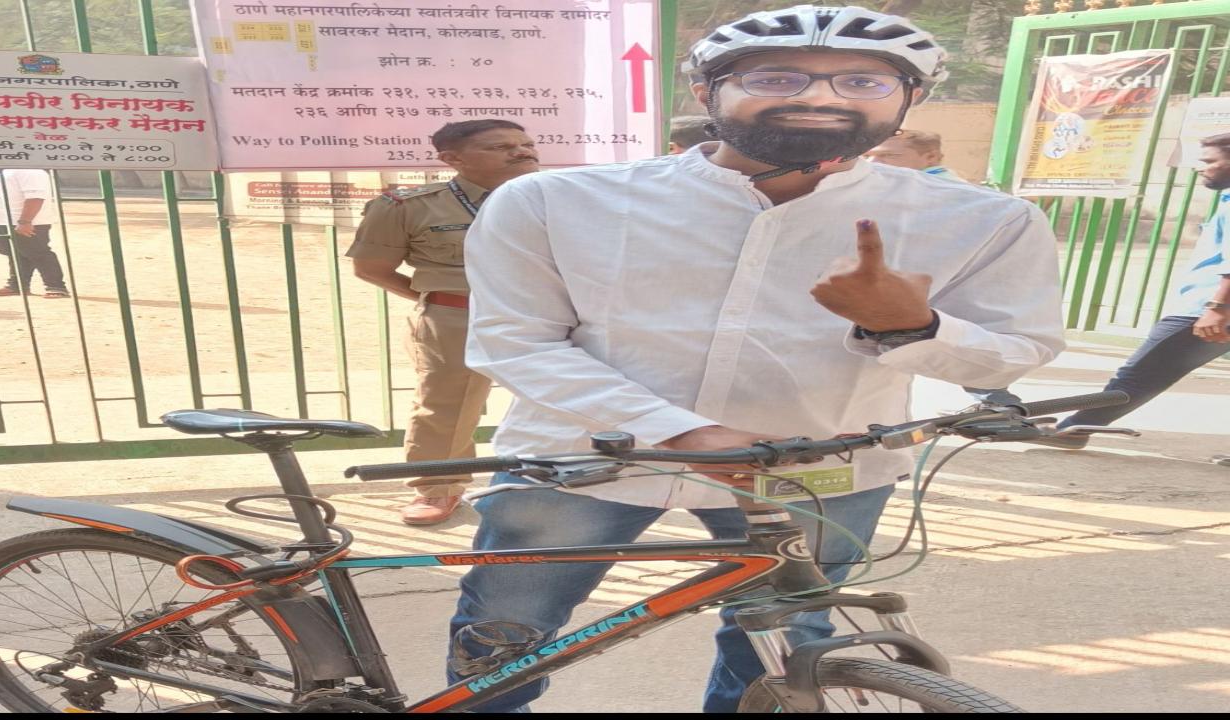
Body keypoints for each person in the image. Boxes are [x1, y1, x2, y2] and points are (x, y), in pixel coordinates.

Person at [453, 5, 1065, 712]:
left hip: (815, 470)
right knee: (502, 638)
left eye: (863, 82)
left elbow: (1015, 352)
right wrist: (680, 430)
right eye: (776, 76)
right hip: (580, 458)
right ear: (705, 91)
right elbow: (514, 340)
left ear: (911, 98)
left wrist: (914, 326)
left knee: (782, 648)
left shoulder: (984, 221)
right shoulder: (556, 201)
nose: (819, 98)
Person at [347, 120, 540, 525]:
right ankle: (439, 488)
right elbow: (372, 268)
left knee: (574, 396)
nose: (521, 152)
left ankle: (577, 479)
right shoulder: (407, 206)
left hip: (548, 314)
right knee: (447, 406)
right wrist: (437, 300)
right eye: (501, 147)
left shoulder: (559, 196)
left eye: (525, 144)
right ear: (452, 159)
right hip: (457, 315)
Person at [1044, 131, 1230, 451]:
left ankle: (1073, 429)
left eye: (1211, 161)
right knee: (1143, 374)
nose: (1202, 168)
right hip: (1209, 304)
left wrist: (1217, 306)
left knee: (1139, 375)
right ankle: (1075, 427)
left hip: (1205, 306)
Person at [866, 130, 1023, 408]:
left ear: (930, 156)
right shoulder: (901, 186)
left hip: (936, 280)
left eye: (890, 155)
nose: (876, 163)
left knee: (941, 339)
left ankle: (998, 403)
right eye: (870, 156)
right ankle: (997, 401)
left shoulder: (944, 192)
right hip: (914, 280)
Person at [0, 168, 68, 298]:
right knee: (14, 253)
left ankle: (56, 286)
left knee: (37, 252)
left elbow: (36, 198)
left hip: (25, 221)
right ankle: (17, 286)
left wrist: (25, 221)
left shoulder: (31, 170)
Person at [865, 129, 966, 181]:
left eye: (889, 155)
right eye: (866, 156)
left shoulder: (938, 189)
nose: (871, 162)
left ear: (931, 157)